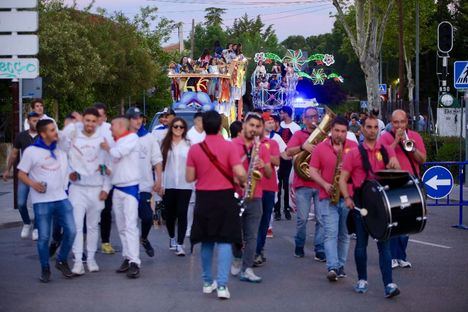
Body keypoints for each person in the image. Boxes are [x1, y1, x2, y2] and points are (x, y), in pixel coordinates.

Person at [339, 115, 401, 298]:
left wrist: (394, 166)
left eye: (375, 127)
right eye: (369, 127)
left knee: (384, 246)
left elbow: (397, 172)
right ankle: (362, 279)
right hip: (361, 203)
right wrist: (347, 198)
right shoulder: (354, 153)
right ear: (362, 129)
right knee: (361, 245)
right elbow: (343, 179)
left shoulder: (388, 150)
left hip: (382, 205)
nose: (372, 130)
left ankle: (389, 284)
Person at [186, 110, 246, 299]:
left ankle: (206, 282)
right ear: (221, 126)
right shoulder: (229, 147)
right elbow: (239, 172)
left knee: (206, 240)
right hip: (225, 197)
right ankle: (222, 286)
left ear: (203, 126)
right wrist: (242, 178)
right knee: (225, 240)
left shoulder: (195, 149)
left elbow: (189, 177)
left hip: (204, 198)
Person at [17, 119, 76, 283]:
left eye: (55, 129)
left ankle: (61, 259)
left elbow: (69, 139)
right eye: (51, 130)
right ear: (42, 134)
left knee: (71, 231)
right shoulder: (31, 151)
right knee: (43, 237)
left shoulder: (59, 147)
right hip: (42, 201)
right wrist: (33, 184)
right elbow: (21, 174)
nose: (55, 132)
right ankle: (45, 268)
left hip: (61, 198)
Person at [63, 108, 111, 275]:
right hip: (77, 189)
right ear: (83, 120)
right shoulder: (75, 136)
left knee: (92, 227)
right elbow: (62, 146)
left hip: (96, 189)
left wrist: (106, 188)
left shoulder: (103, 139)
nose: (90, 124)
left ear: (98, 121)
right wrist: (73, 124)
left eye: (93, 121)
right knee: (76, 226)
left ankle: (90, 259)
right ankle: (78, 261)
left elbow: (108, 164)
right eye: (87, 120)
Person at [309, 116, 358, 281]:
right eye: (337, 130)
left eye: (343, 131)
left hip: (347, 197)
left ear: (347, 132)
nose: (339, 134)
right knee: (331, 233)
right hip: (327, 196)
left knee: (344, 234)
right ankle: (332, 267)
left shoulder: (353, 147)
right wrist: (324, 184)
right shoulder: (320, 148)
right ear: (331, 130)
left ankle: (340, 265)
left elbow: (359, 171)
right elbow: (313, 170)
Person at [379, 109, 426, 269]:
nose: (399, 125)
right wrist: (395, 142)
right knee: (394, 220)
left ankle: (401, 256)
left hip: (411, 181)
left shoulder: (415, 137)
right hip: (393, 181)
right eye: (396, 122)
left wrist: (410, 147)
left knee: (408, 220)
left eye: (402, 122)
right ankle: (392, 256)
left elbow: (422, 160)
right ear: (391, 123)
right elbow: (382, 159)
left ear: (407, 122)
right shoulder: (385, 137)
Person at [231, 113, 272, 283]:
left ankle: (247, 269)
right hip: (235, 195)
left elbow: (269, 174)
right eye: (251, 125)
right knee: (235, 234)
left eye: (257, 126)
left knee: (252, 235)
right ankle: (237, 255)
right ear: (244, 126)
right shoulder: (232, 145)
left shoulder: (262, 147)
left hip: (255, 195)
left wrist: (263, 165)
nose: (254, 129)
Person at [100, 117, 141, 278]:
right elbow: (110, 168)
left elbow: (119, 153)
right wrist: (105, 186)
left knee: (130, 225)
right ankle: (127, 256)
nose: (110, 130)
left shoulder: (131, 138)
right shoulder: (115, 143)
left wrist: (107, 148)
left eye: (112, 127)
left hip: (130, 188)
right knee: (122, 227)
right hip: (117, 189)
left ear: (120, 126)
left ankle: (135, 262)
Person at [286, 107, 325, 261]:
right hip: (303, 183)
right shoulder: (299, 134)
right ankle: (299, 245)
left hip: (320, 182)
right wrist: (303, 147)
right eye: (309, 117)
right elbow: (289, 152)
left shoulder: (324, 137)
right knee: (302, 218)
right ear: (304, 119)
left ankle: (320, 248)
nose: (313, 120)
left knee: (321, 219)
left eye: (315, 116)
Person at [126, 107, 163, 258]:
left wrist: (159, 179)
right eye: (135, 118)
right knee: (129, 224)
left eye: (140, 118)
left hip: (144, 186)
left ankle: (144, 238)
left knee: (147, 217)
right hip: (126, 186)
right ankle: (130, 257)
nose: (139, 121)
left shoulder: (149, 138)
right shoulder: (122, 137)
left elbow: (157, 160)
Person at [3, 112, 40, 240]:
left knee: (37, 205)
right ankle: (27, 223)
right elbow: (14, 154)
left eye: (38, 120)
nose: (36, 122)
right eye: (34, 120)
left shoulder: (43, 135)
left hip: (39, 175)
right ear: (28, 121)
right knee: (21, 203)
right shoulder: (21, 136)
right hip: (25, 174)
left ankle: (36, 228)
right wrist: (7, 170)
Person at [254, 112, 284, 266]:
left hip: (269, 185)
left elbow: (277, 161)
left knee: (265, 219)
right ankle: (253, 249)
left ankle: (258, 249)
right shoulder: (248, 142)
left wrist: (263, 157)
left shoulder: (272, 143)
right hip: (253, 186)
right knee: (252, 220)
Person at [160, 117, 193, 256]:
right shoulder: (165, 144)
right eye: (176, 126)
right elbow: (160, 166)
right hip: (169, 183)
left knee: (182, 212)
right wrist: (160, 183)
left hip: (185, 184)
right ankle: (172, 237)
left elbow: (193, 164)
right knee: (170, 214)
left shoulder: (189, 144)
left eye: (181, 127)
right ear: (171, 128)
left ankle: (180, 244)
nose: (178, 129)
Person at [94, 102, 116, 255]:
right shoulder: (84, 129)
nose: (98, 119)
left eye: (101, 116)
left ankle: (105, 241)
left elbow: (116, 153)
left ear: (105, 116)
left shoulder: (110, 130)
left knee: (106, 211)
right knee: (88, 212)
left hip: (107, 178)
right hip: (88, 180)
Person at [274, 108, 296, 221]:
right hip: (276, 164)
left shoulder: (287, 131)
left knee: (286, 186)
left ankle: (286, 208)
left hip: (286, 162)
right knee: (277, 187)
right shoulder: (271, 135)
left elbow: (291, 146)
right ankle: (277, 210)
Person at [186, 112, 206, 236]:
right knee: (191, 203)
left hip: (206, 173)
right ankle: (190, 227)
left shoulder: (207, 134)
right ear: (196, 121)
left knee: (204, 201)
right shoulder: (189, 136)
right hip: (193, 173)